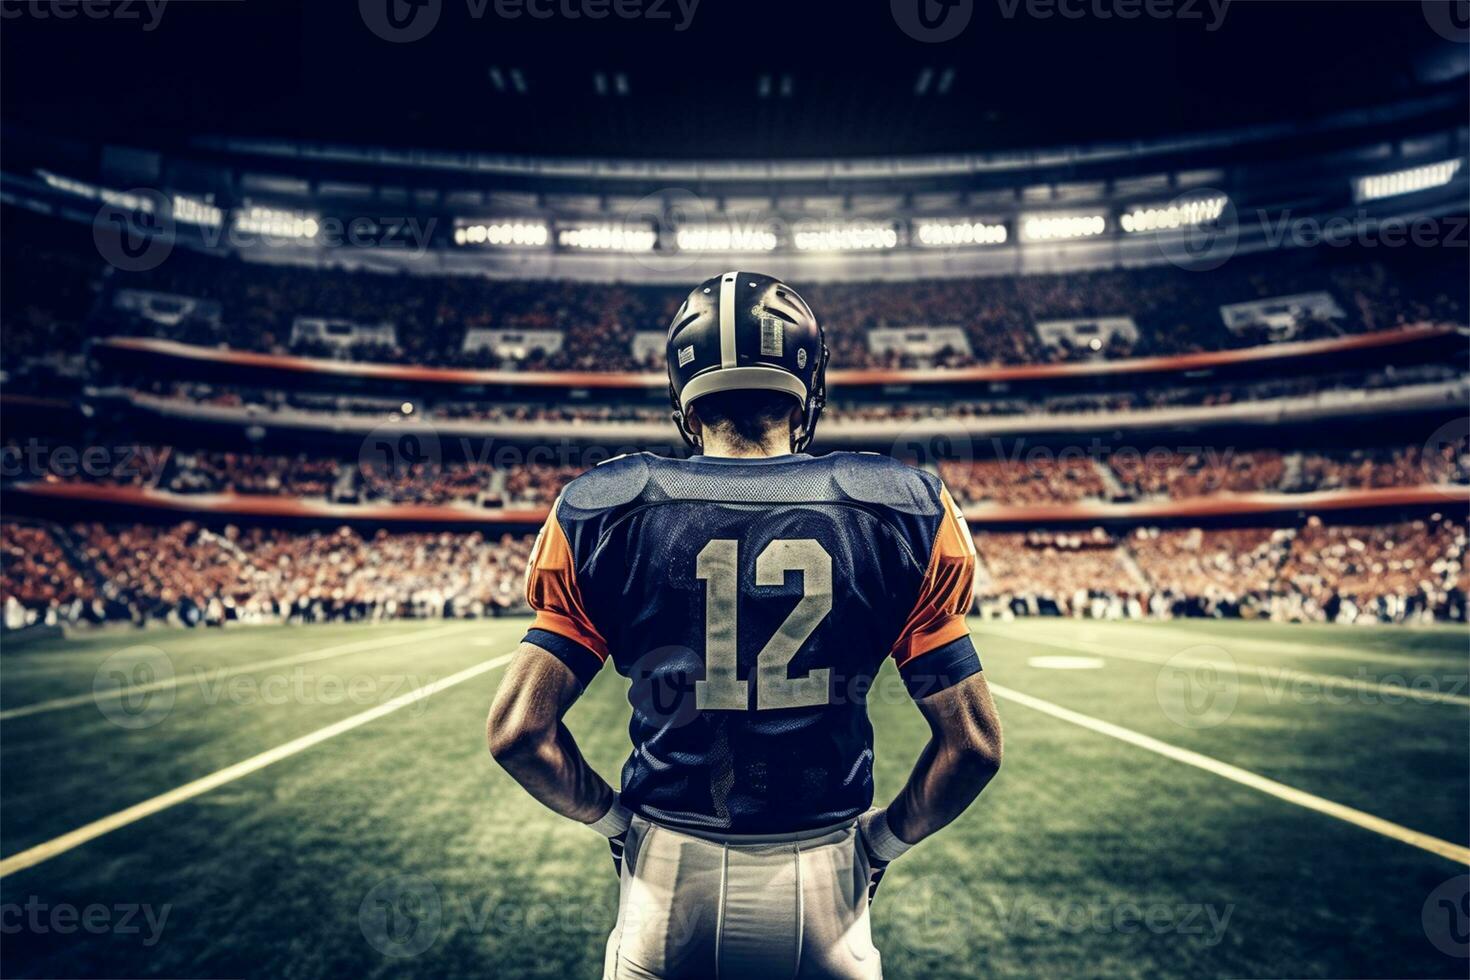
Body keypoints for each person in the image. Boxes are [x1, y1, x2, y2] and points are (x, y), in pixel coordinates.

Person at [487, 271, 1003, 979]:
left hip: (666, 889)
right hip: (828, 891)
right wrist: (879, 844)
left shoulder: (607, 507)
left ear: (684, 395)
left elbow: (518, 732)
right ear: (807, 386)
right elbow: (974, 746)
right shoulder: (899, 509)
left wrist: (616, 826)